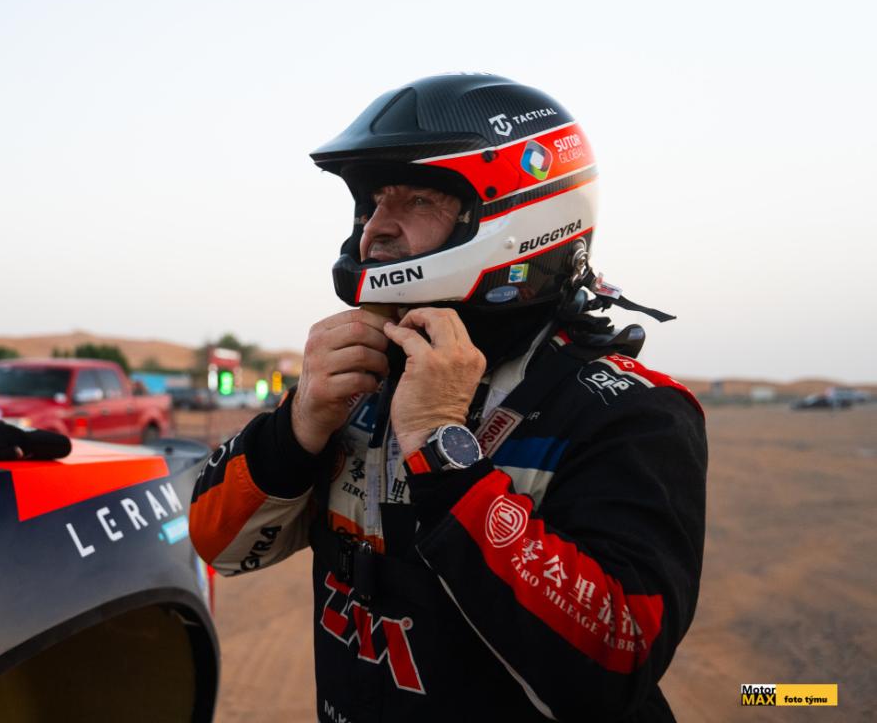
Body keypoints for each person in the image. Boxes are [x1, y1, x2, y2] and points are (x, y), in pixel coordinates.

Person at [189, 73, 707, 722]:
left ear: (520, 215)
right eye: (373, 202)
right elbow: (219, 545)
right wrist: (297, 426)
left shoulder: (631, 411)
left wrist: (441, 447)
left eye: (417, 200)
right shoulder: (363, 377)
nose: (375, 230)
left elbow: (614, 667)